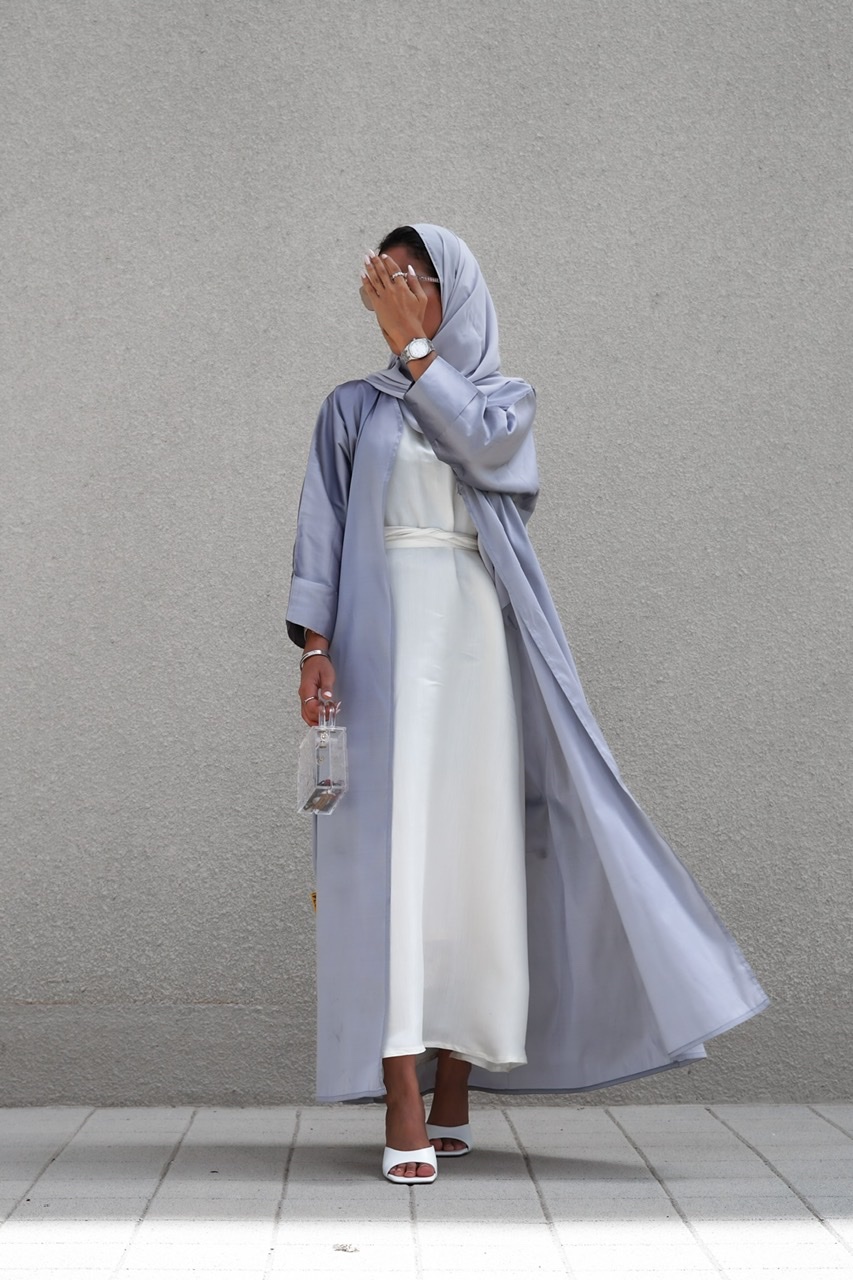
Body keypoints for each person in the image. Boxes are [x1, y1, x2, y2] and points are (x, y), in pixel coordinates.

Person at [286, 223, 769, 1186]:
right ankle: (402, 1090)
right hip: (381, 646)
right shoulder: (351, 407)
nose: (396, 289)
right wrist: (316, 645)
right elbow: (321, 527)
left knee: (474, 855)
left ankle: (457, 1080)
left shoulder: (501, 398)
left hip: (473, 642)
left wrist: (414, 348)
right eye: (385, 276)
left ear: (454, 292)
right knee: (393, 859)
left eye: (415, 277)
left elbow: (488, 450)